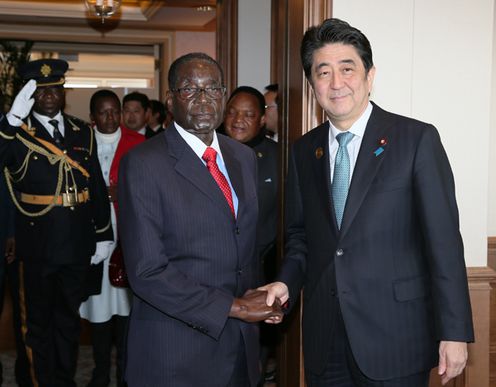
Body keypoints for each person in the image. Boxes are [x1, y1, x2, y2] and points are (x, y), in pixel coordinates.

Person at [260, 18, 474, 387]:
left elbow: (444, 243)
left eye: (348, 69)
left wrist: (454, 332)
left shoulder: (415, 140)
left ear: (370, 76)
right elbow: (299, 238)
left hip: (396, 337)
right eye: (323, 73)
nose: (336, 83)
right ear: (312, 86)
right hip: (325, 338)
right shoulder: (302, 152)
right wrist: (284, 283)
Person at [118, 52, 283, 387]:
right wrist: (235, 307)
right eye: (189, 90)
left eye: (212, 89)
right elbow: (147, 272)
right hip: (177, 351)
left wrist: (262, 301)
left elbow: (244, 247)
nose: (203, 99)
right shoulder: (143, 163)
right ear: (170, 100)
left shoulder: (243, 157)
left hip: (240, 348)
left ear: (223, 96)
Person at [0, 58, 113, 387]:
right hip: (35, 247)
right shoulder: (16, 133)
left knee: (68, 323)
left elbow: (96, 186)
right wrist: (12, 119)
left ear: (63, 93)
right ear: (30, 94)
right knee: (35, 326)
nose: (50, 94)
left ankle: (64, 381)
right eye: (42, 89)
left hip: (76, 246)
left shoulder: (82, 132)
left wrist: (103, 234)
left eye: (56, 89)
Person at [80, 89, 144, 387]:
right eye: (103, 113)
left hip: (129, 238)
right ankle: (100, 372)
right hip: (93, 239)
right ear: (92, 117)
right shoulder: (80, 143)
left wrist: (125, 194)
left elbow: (151, 191)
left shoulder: (139, 144)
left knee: (127, 311)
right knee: (99, 309)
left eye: (115, 112)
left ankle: (126, 374)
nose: (111, 118)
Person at [223, 86, 279, 385]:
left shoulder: (278, 157)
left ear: (261, 120)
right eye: (232, 112)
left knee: (251, 357)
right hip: (214, 272)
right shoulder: (209, 152)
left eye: (248, 114)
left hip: (262, 267)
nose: (238, 119)